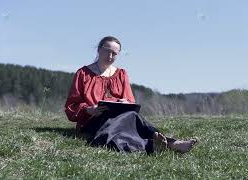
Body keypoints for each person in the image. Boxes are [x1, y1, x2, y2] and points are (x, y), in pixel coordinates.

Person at [64, 36, 196, 154]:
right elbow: (72, 104)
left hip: (121, 117)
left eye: (114, 53)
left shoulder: (121, 74)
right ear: (99, 50)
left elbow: (130, 101)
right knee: (114, 134)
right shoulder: (83, 73)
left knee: (132, 115)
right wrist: (89, 109)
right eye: (107, 51)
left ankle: (169, 143)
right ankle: (163, 145)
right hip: (93, 120)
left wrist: (125, 103)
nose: (110, 56)